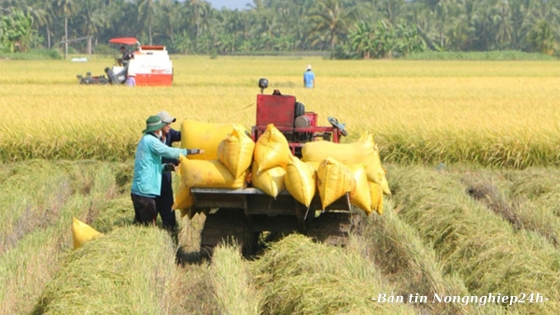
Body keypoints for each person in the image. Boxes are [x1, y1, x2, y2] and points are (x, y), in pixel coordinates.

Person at [131, 115, 203, 226]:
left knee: (141, 226)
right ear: (156, 130)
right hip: (145, 193)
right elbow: (169, 152)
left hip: (138, 192)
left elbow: (149, 167)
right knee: (148, 227)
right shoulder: (151, 141)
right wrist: (191, 151)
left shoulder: (144, 141)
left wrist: (165, 167)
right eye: (160, 127)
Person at [155, 110, 182, 233]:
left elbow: (182, 135)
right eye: (167, 123)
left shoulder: (170, 134)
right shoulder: (153, 139)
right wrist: (177, 160)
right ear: (160, 125)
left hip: (165, 177)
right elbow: (162, 156)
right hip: (154, 177)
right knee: (154, 206)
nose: (169, 126)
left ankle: (170, 230)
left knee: (168, 206)